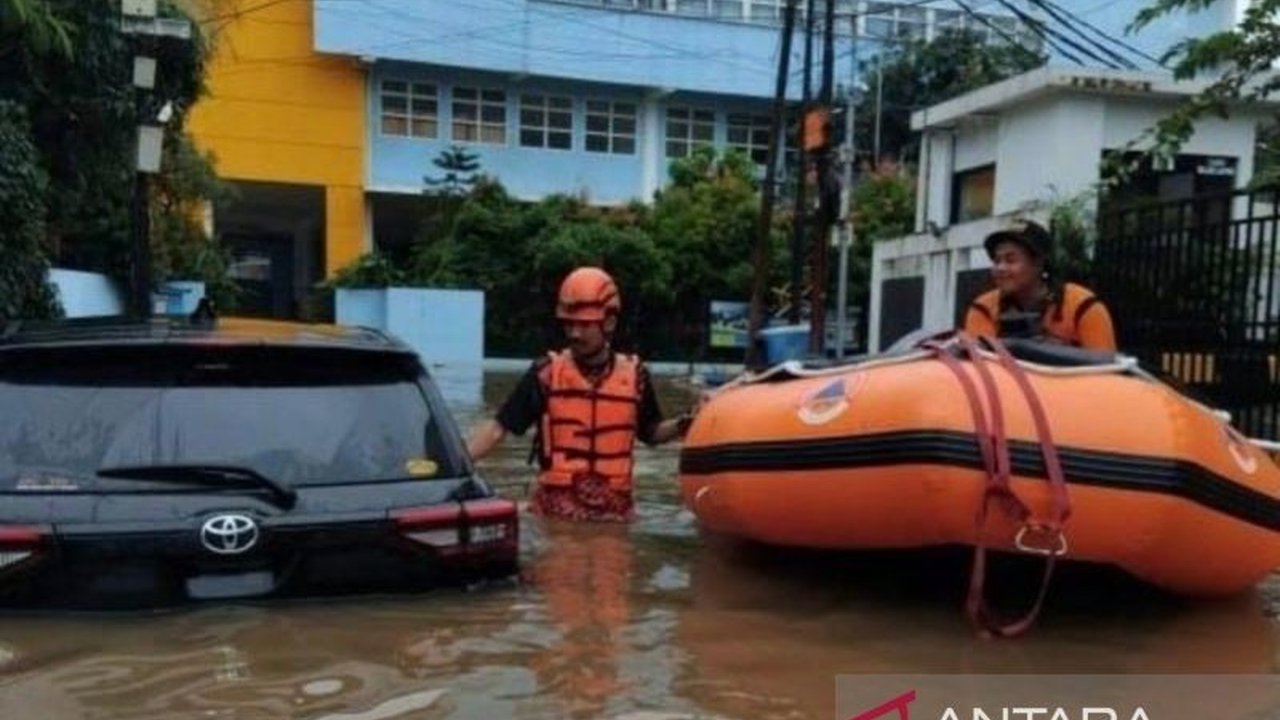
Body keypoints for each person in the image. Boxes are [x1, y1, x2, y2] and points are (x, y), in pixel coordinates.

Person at [466, 266, 696, 523]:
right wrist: (457, 464)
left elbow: (652, 432)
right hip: (557, 508)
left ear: (609, 323)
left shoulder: (636, 376)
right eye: (569, 324)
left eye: (585, 325)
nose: (575, 333)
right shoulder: (545, 374)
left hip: (614, 511)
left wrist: (685, 422)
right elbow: (499, 428)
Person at [963, 219, 1117, 352]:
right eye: (997, 261)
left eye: (1010, 260)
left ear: (1038, 263)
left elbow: (1106, 370)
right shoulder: (983, 308)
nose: (1000, 268)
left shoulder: (1083, 306)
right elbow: (980, 368)